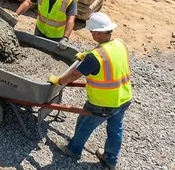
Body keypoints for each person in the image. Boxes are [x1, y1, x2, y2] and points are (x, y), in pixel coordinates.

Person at [48, 12, 132, 170]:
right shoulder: (120, 43)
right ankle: (111, 159)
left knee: (84, 125)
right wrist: (86, 54)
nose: (91, 34)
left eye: (92, 32)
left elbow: (75, 74)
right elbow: (109, 56)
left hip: (103, 103)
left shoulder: (96, 57)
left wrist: (58, 80)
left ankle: (73, 150)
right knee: (115, 129)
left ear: (99, 33)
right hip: (124, 97)